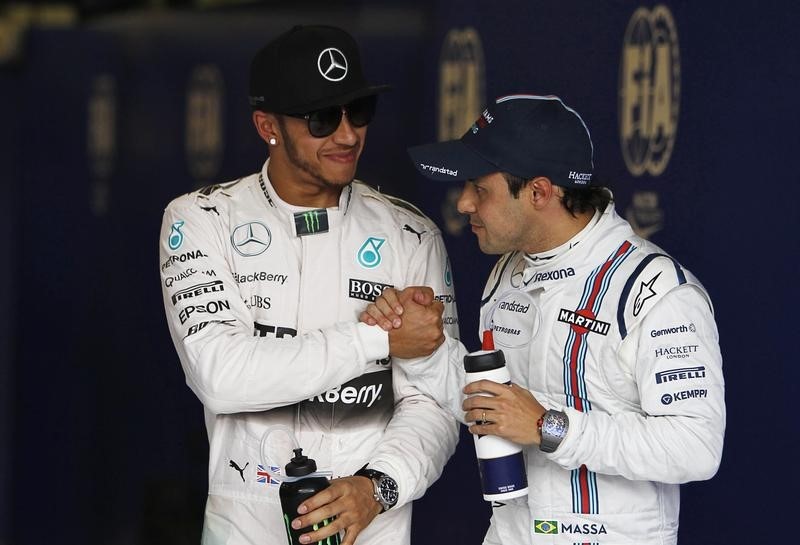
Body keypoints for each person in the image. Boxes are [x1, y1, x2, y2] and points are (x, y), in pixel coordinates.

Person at [361, 94, 726, 545]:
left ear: (538, 192)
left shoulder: (656, 291)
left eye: (480, 188)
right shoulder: (507, 274)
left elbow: (696, 447)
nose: (464, 204)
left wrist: (548, 427)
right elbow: (493, 408)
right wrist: (425, 346)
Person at [159, 24, 459, 545]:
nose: (347, 135)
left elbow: (436, 400)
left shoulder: (411, 234)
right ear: (266, 125)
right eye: (322, 118)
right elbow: (219, 375)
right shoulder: (201, 219)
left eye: (358, 111)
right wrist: (377, 340)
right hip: (244, 524)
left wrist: (379, 485)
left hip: (372, 525)